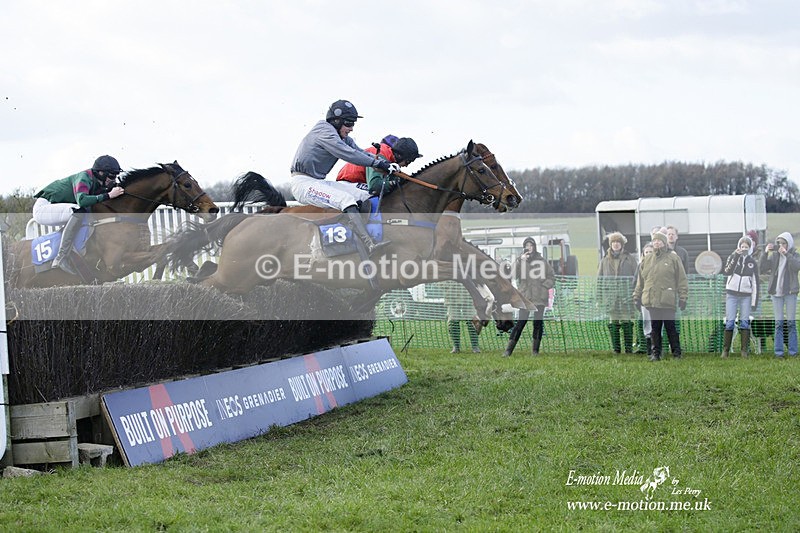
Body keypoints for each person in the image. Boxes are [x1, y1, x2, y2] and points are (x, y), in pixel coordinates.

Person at [290, 99, 398, 256]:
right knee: (346, 200)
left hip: (318, 181)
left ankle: (367, 233)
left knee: (365, 193)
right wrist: (379, 164)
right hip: (302, 184)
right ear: (336, 120)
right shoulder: (324, 131)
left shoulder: (341, 137)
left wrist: (385, 164)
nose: (351, 128)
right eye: (348, 123)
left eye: (353, 124)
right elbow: (349, 154)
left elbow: (360, 152)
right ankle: (367, 243)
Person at [33, 155, 125, 273]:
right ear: (101, 173)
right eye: (112, 176)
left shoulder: (97, 181)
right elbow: (82, 201)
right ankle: (61, 257)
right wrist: (108, 195)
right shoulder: (84, 177)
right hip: (43, 208)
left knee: (85, 212)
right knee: (79, 210)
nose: (114, 179)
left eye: (116, 176)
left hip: (55, 206)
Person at [632, 231, 688, 361]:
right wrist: (636, 296)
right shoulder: (647, 259)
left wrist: (683, 296)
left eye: (659, 241)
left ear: (664, 243)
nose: (657, 243)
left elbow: (681, 279)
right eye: (655, 241)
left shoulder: (673, 258)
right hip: (651, 299)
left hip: (667, 299)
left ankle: (676, 353)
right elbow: (641, 281)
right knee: (654, 327)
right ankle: (655, 353)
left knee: (670, 327)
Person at [503, 237, 556, 356]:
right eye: (526, 246)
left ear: (534, 247)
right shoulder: (520, 261)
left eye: (531, 245)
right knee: (521, 322)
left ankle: (535, 351)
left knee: (538, 323)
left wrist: (544, 286)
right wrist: (519, 261)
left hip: (539, 297)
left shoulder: (542, 261)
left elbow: (552, 277)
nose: (529, 248)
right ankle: (508, 350)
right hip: (526, 297)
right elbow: (514, 275)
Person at [337, 134, 422, 195]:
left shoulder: (391, 161)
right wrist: (396, 182)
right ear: (399, 156)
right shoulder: (379, 154)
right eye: (408, 162)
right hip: (348, 184)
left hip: (359, 183)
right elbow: (375, 187)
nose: (407, 166)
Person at [759, 232, 800, 357]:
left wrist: (786, 254)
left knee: (791, 323)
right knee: (779, 323)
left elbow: (796, 267)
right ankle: (778, 352)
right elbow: (762, 268)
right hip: (776, 293)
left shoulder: (795, 255)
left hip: (790, 292)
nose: (781, 246)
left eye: (783, 243)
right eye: (779, 243)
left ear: (789, 244)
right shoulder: (775, 256)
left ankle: (793, 352)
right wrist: (765, 253)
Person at [597, 232, 638, 353]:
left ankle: (628, 348)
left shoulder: (630, 259)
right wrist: (599, 298)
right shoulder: (604, 260)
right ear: (610, 244)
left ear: (622, 244)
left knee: (626, 321)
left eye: (618, 242)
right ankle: (616, 349)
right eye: (613, 242)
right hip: (610, 298)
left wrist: (635, 295)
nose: (616, 244)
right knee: (613, 322)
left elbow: (637, 278)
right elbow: (599, 280)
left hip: (626, 297)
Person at [721, 236, 760, 358]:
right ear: (739, 247)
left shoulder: (752, 263)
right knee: (730, 322)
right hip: (731, 294)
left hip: (745, 296)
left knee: (744, 322)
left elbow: (755, 283)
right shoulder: (733, 257)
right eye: (742, 246)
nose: (744, 249)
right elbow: (727, 271)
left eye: (746, 247)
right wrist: (736, 256)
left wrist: (754, 302)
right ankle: (725, 350)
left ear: (750, 249)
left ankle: (744, 350)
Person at [442, 280, 481, 353]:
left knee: (472, 320)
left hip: (468, 295)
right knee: (453, 321)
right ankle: (456, 346)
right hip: (451, 295)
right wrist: (446, 287)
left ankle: (475, 346)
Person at [634, 243, 655, 354]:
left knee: (656, 324)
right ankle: (648, 349)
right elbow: (637, 283)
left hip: (657, 300)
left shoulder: (658, 265)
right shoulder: (640, 266)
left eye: (650, 252)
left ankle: (657, 349)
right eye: (646, 252)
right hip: (645, 299)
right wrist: (637, 297)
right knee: (647, 324)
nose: (648, 254)